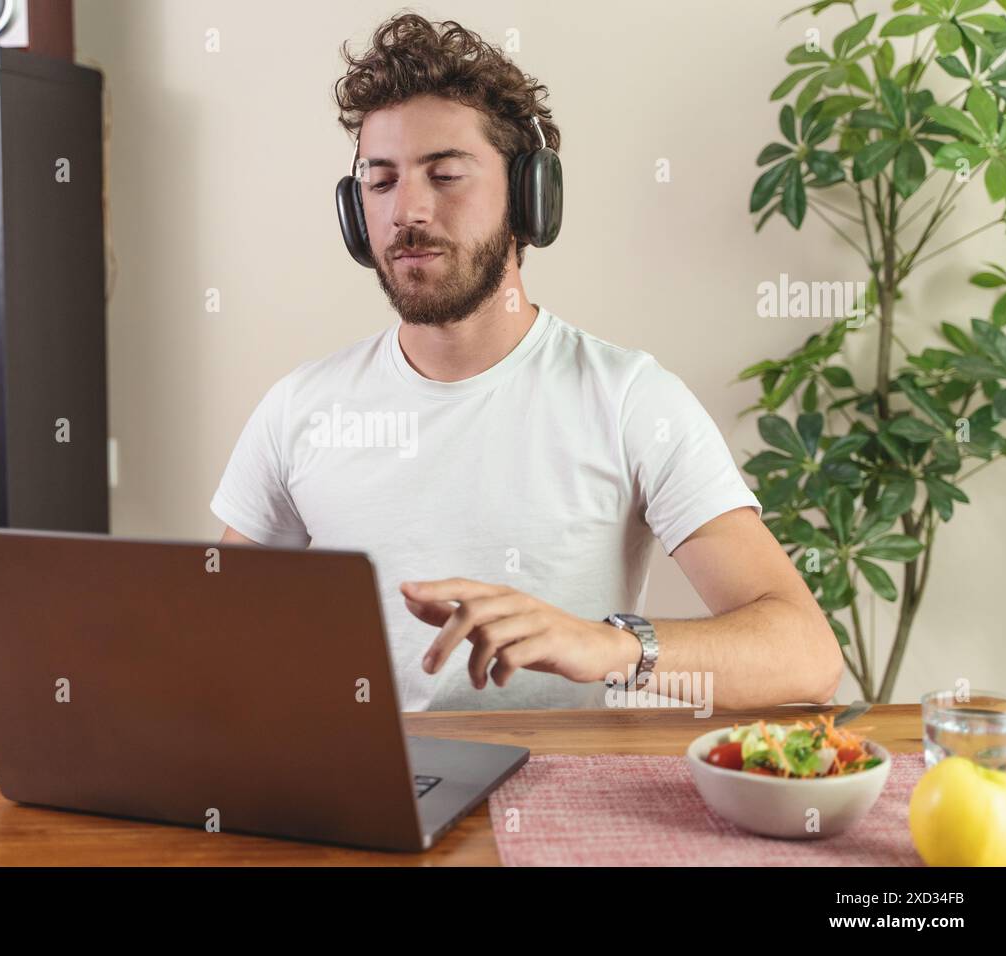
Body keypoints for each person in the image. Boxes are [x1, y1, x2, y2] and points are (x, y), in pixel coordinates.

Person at [211, 13, 843, 712]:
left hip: (564, 804)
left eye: (445, 174)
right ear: (355, 217)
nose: (406, 210)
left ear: (530, 198)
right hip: (368, 799)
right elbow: (217, 637)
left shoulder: (629, 399)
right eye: (380, 181)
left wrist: (610, 645)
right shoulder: (300, 408)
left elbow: (806, 656)